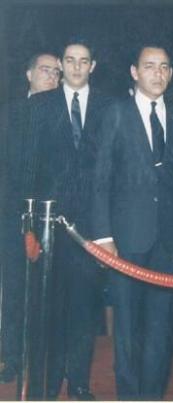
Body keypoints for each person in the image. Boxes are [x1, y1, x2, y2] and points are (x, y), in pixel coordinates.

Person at [91, 44, 173, 400]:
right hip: (125, 240)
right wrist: (104, 237)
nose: (158, 73)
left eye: (165, 67)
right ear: (135, 72)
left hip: (167, 241)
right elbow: (101, 179)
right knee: (126, 329)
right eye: (150, 66)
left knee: (159, 330)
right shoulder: (116, 113)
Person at [28, 38, 111, 400]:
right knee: (49, 310)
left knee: (82, 309)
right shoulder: (41, 106)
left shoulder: (110, 107)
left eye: (84, 61)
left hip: (90, 230)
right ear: (61, 65)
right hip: (48, 227)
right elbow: (28, 167)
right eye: (70, 60)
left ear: (92, 66)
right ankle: (46, 385)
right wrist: (29, 225)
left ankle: (78, 382)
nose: (77, 67)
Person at [0, 52, 60, 384]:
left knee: (48, 295)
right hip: (10, 219)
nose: (51, 76)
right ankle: (10, 357)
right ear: (28, 73)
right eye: (44, 70)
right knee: (14, 292)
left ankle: (44, 360)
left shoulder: (65, 116)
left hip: (54, 221)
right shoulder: (8, 115)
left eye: (56, 72)